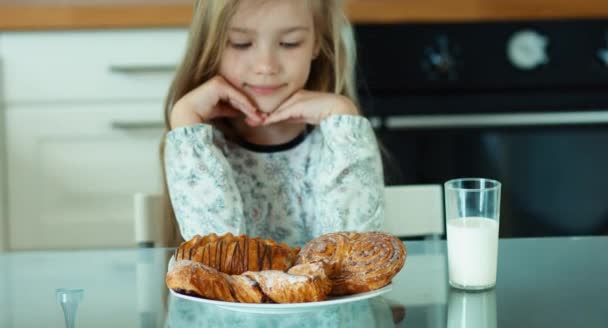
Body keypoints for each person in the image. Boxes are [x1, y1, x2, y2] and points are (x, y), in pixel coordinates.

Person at [162, 0, 384, 247]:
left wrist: (344, 117)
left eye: (290, 43)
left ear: (316, 43)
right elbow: (217, 258)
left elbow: (353, 255)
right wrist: (185, 118)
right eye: (241, 43)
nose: (266, 66)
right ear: (210, 44)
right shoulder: (199, 147)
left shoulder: (339, 139)